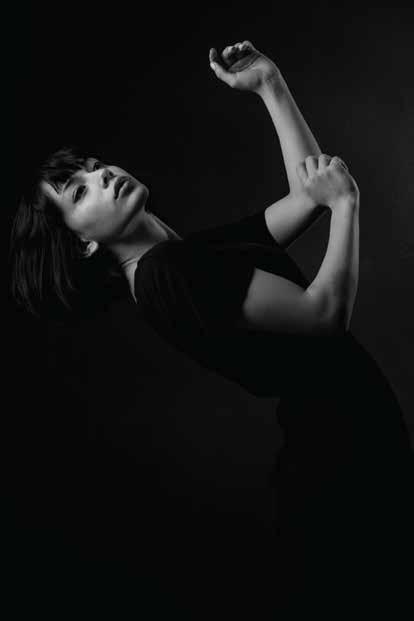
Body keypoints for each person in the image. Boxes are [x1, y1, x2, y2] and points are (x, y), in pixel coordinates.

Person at [10, 40, 413, 615]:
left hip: (348, 456)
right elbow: (324, 316)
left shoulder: (184, 257)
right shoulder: (166, 275)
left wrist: (270, 86)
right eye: (80, 191)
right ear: (83, 244)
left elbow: (306, 197)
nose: (103, 176)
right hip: (342, 471)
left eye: (95, 167)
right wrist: (348, 206)